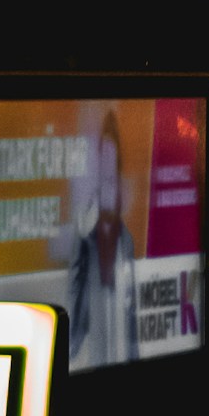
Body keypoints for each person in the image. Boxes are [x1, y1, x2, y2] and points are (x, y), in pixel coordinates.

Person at [68, 110, 139, 368]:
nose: (109, 170)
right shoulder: (86, 226)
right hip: (90, 338)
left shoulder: (125, 239)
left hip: (118, 337)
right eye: (104, 158)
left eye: (114, 160)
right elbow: (74, 284)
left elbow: (131, 309)